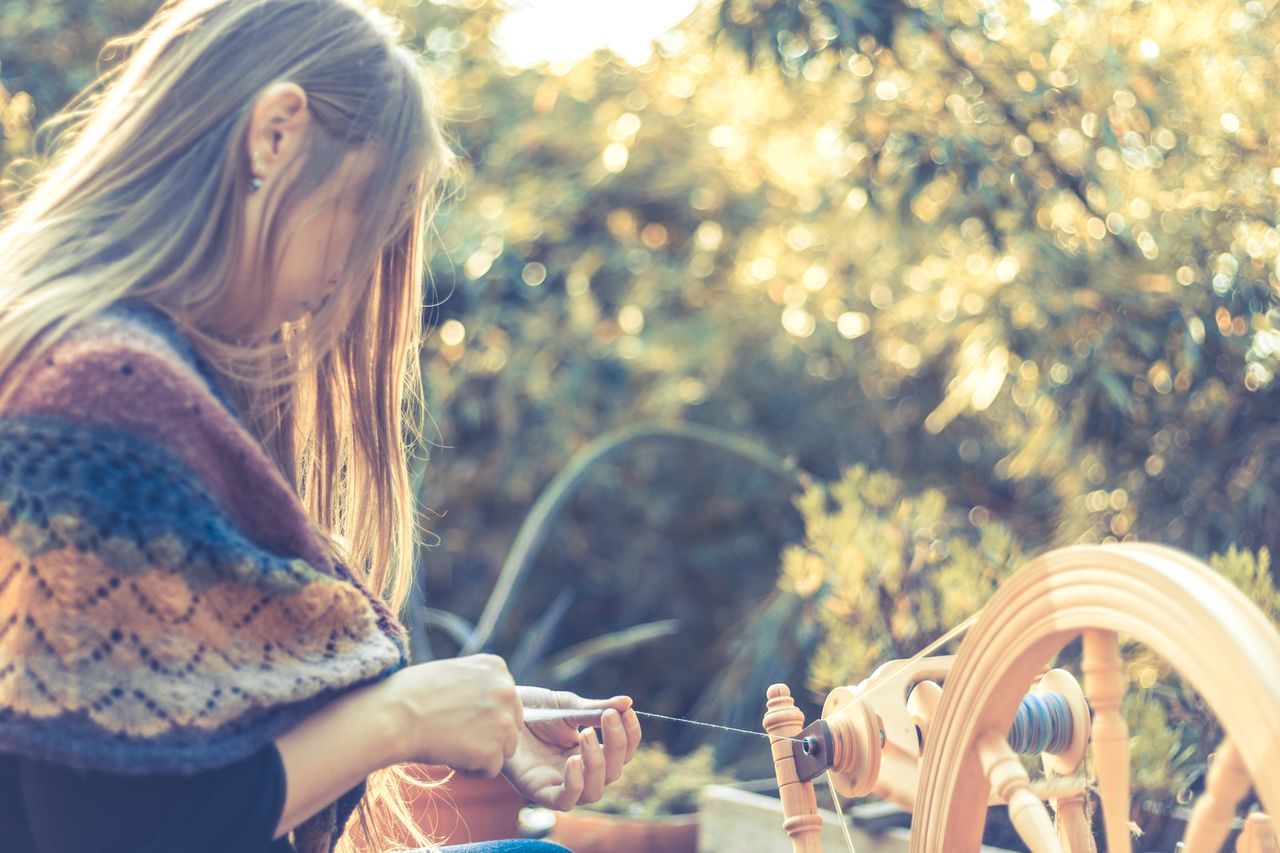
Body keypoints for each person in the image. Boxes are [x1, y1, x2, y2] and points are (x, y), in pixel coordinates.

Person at [0, 1, 642, 851]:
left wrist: (469, 716)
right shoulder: (100, 393)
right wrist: (400, 715)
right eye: (361, 220)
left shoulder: (81, 358)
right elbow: (120, 831)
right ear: (274, 135)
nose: (351, 273)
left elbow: (168, 736)